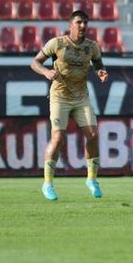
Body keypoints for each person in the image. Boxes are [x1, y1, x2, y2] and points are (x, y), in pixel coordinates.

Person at [30, 10, 108, 201]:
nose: (83, 26)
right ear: (70, 25)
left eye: (85, 23)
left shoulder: (92, 47)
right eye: (79, 22)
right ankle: (47, 183)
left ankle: (92, 179)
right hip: (60, 97)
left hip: (81, 97)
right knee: (57, 138)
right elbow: (35, 62)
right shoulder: (57, 43)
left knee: (93, 134)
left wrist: (101, 72)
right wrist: (46, 73)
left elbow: (98, 63)